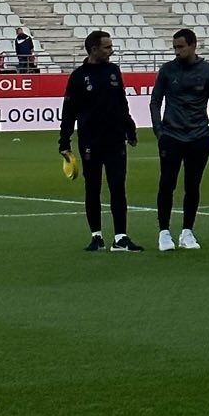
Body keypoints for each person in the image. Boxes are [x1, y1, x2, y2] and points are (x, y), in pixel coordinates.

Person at [59, 30, 141, 252]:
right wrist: (63, 142)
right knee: (92, 189)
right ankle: (96, 236)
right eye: (107, 47)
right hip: (90, 141)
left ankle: (120, 238)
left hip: (115, 139)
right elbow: (69, 112)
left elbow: (121, 102)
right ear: (94, 49)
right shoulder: (78, 77)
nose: (111, 50)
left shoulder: (114, 71)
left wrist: (130, 129)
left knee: (117, 187)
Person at [150, 27, 209, 251]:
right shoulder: (167, 70)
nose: (177, 51)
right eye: (174, 47)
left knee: (193, 185)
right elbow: (155, 101)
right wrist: (159, 130)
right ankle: (164, 232)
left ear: (193, 46)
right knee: (167, 183)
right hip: (171, 135)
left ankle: (187, 231)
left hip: (199, 136)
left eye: (180, 47)